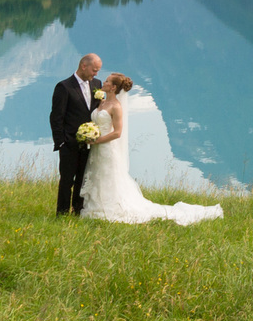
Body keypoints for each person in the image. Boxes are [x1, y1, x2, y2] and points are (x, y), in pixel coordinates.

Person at [79, 72, 224, 226]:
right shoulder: (101, 102)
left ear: (113, 87)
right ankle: (95, 204)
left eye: (107, 81)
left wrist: (98, 139)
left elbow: (117, 132)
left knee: (108, 176)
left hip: (107, 148)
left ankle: (108, 207)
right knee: (96, 174)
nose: (104, 82)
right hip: (96, 148)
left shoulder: (116, 106)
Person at [50, 53, 103, 216]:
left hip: (89, 143)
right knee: (67, 180)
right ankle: (62, 213)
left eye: (98, 71)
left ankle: (78, 210)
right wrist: (61, 142)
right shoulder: (64, 86)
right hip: (69, 142)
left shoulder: (97, 84)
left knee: (83, 178)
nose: (96, 74)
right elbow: (56, 117)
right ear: (83, 66)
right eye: (94, 70)